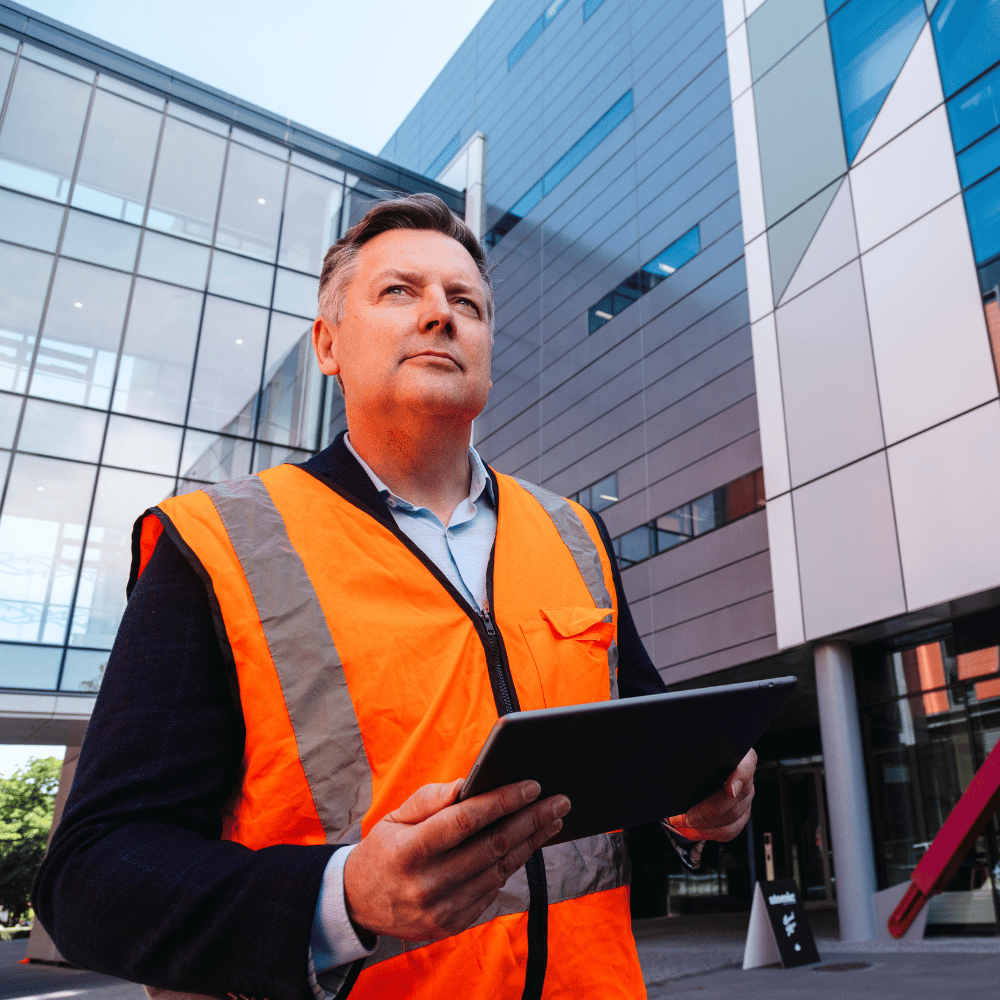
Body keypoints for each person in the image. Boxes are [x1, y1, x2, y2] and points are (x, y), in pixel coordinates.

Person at [33, 194, 755, 1000]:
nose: (441, 315)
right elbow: (93, 876)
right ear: (328, 343)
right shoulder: (215, 543)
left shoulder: (576, 535)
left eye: (466, 302)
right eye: (400, 292)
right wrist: (342, 900)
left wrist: (696, 813)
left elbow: (649, 772)